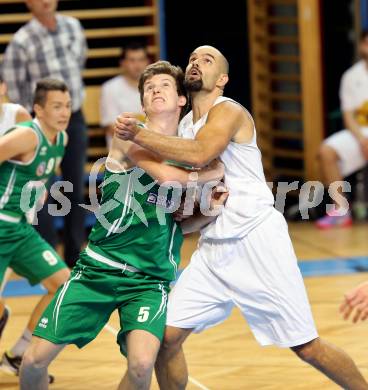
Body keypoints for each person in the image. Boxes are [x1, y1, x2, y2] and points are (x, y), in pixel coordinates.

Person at [115, 45, 368, 389]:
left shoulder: (228, 110)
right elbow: (188, 183)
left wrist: (139, 134)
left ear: (222, 79)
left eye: (207, 60)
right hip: (213, 248)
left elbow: (203, 152)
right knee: (165, 339)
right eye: (192, 59)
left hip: (257, 240)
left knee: (307, 347)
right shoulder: (186, 125)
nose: (195, 63)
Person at [19, 61, 225, 390]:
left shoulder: (191, 149)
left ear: (182, 99)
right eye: (149, 88)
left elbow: (179, 225)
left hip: (149, 278)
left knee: (142, 365)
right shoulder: (130, 134)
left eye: (164, 86)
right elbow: (169, 176)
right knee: (32, 361)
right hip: (98, 269)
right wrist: (211, 173)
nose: (156, 90)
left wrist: (208, 211)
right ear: (143, 102)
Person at [1, 0, 88, 267]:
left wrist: (63, 109)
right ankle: (45, 252)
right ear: (28, 3)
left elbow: (79, 64)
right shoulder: (21, 41)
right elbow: (14, 88)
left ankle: (73, 257)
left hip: (73, 118)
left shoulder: (73, 26)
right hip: (40, 122)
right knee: (40, 189)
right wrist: (38, 120)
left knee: (73, 187)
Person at [0, 78, 71, 381]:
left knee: (64, 284)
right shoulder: (26, 136)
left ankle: (18, 355)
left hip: (21, 231)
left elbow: (43, 173)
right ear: (38, 109)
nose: (64, 112)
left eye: (67, 105)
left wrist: (37, 192)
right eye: (56, 106)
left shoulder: (62, 139)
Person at [316, 30, 368, 229]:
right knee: (326, 151)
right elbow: (348, 116)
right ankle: (341, 210)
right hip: (360, 133)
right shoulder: (351, 76)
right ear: (362, 46)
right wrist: (362, 140)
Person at [100, 42, 150, 148]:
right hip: (121, 154)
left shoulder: (155, 88)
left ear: (147, 62)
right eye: (132, 60)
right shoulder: (110, 88)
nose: (137, 65)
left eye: (141, 60)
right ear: (122, 63)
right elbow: (111, 127)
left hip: (151, 149)